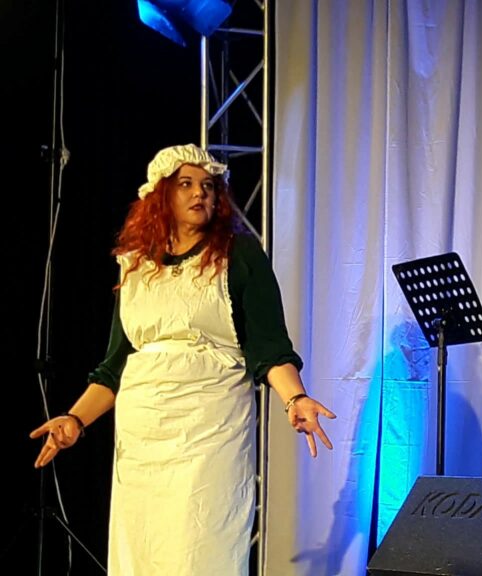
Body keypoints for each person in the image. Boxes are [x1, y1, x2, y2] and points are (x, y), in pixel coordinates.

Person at [30, 144, 335, 574]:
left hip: (210, 426)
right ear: (161, 195)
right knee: (142, 551)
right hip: (143, 433)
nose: (199, 193)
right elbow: (115, 365)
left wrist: (295, 398)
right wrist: (76, 420)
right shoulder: (135, 265)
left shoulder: (239, 256)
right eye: (186, 184)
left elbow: (269, 348)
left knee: (200, 546)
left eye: (208, 186)